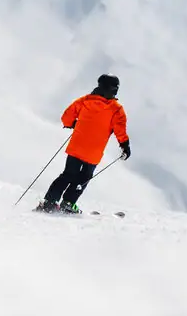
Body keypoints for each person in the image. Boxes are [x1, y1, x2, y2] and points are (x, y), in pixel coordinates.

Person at [37, 74, 130, 213]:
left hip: (76, 147)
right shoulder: (116, 109)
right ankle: (68, 203)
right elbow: (120, 130)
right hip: (93, 152)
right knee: (83, 178)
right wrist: (125, 146)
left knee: (67, 174)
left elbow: (66, 117)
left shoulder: (85, 100)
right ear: (114, 89)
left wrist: (73, 124)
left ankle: (49, 201)